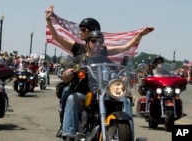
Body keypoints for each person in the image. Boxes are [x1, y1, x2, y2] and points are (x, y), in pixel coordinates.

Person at [46, 5, 154, 138]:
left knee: (125, 98)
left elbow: (124, 49)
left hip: (104, 92)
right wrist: (68, 72)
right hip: (85, 91)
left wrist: (124, 77)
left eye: (99, 42)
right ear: (88, 42)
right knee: (71, 96)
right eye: (94, 42)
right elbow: (57, 38)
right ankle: (68, 132)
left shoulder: (105, 57)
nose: (97, 44)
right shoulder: (79, 54)